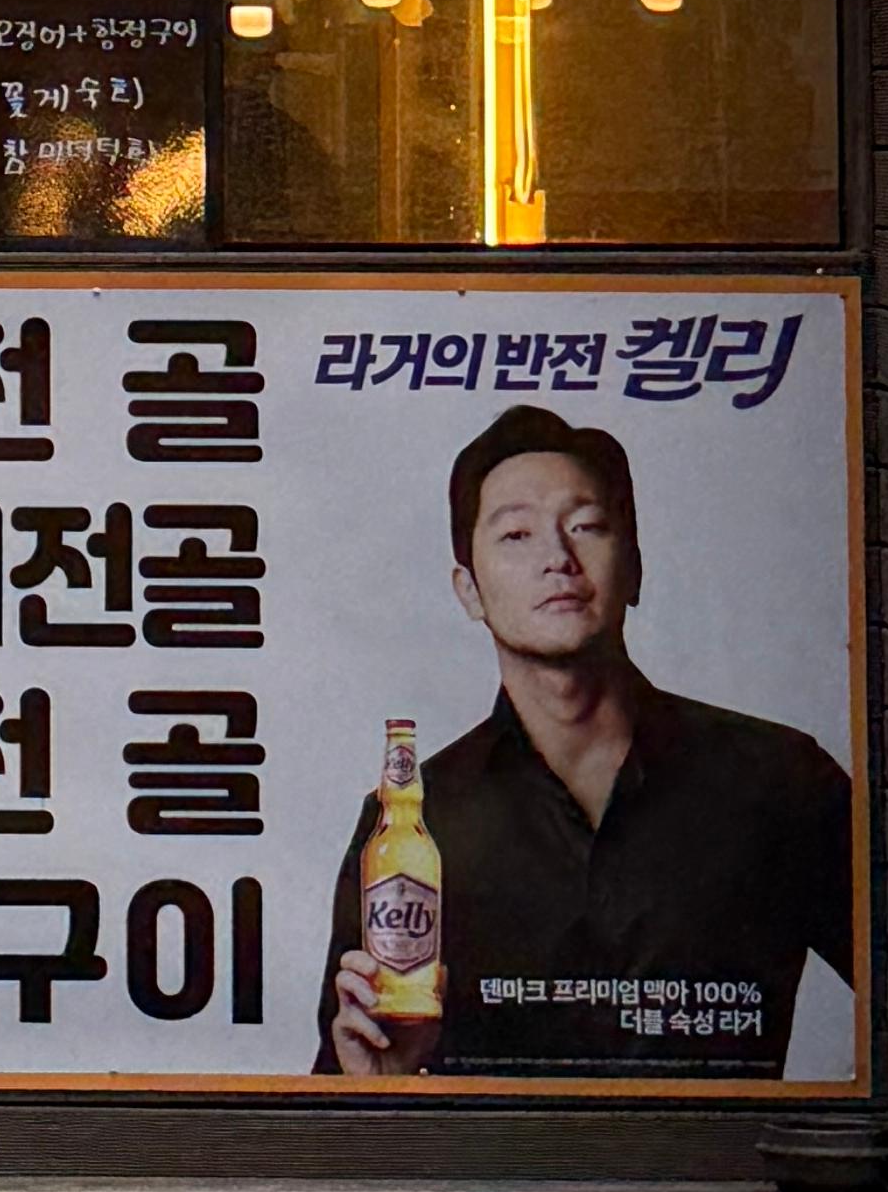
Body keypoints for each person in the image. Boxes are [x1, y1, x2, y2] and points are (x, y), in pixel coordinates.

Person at [318, 403, 851, 1076]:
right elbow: (342, 1091)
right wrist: (387, 1090)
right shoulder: (414, 823)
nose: (558, 559)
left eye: (586, 526)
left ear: (634, 568)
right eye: (517, 534)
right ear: (469, 591)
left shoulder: (782, 781)